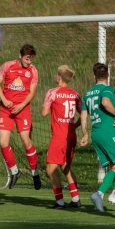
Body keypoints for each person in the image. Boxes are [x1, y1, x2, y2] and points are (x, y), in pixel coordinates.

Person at [79, 63, 115, 212]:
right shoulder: (107, 89)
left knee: (114, 167)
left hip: (96, 135)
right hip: (109, 133)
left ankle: (99, 194)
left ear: (94, 76)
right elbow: (105, 102)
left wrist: (85, 133)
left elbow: (83, 116)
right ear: (107, 76)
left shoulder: (88, 93)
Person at [0, 44, 41, 190]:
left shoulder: (33, 71)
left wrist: (21, 105)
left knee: (26, 141)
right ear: (20, 56)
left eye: (31, 59)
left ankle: (35, 173)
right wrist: (4, 99)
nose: (29, 62)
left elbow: (32, 93)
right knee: (3, 142)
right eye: (27, 59)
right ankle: (15, 171)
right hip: (6, 109)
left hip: (23, 109)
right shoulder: (7, 66)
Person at [41, 65, 82, 209]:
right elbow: (83, 114)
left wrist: (49, 106)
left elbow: (44, 113)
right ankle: (76, 199)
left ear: (59, 76)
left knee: (50, 169)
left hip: (59, 136)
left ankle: (59, 202)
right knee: (65, 167)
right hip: (71, 135)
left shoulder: (53, 92)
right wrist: (74, 126)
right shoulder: (75, 94)